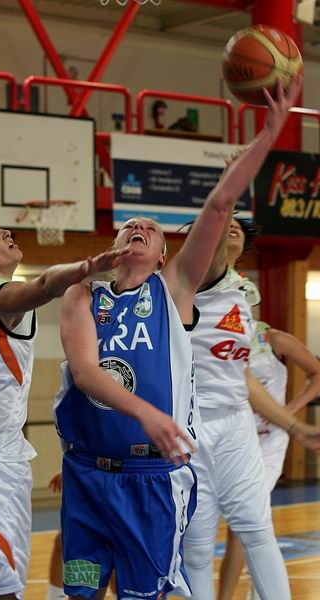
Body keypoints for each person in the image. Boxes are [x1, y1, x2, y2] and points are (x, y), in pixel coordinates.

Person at [53, 76, 302, 600]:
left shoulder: (173, 291)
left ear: (166, 257)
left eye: (151, 227)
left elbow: (219, 205)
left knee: (151, 591)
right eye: (130, 224)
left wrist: (268, 136)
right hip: (87, 473)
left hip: (151, 472)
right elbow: (85, 372)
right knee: (80, 591)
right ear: (114, 242)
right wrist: (146, 412)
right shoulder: (82, 295)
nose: (139, 226)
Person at [0, 212, 132, 600]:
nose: (6, 232)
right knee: (3, 590)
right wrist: (86, 267)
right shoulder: (1, 295)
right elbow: (47, 283)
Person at [181, 90, 320, 600]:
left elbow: (239, 377)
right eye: (225, 229)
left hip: (237, 422)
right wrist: (260, 145)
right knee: (197, 546)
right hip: (191, 424)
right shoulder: (197, 278)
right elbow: (218, 213)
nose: (231, 231)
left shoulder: (242, 295)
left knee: (258, 531)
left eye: (239, 229)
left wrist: (294, 424)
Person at [218, 320, 320, 600]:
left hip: (269, 441)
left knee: (242, 523)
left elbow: (317, 372)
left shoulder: (272, 338)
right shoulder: (214, 335)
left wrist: (288, 412)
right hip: (232, 437)